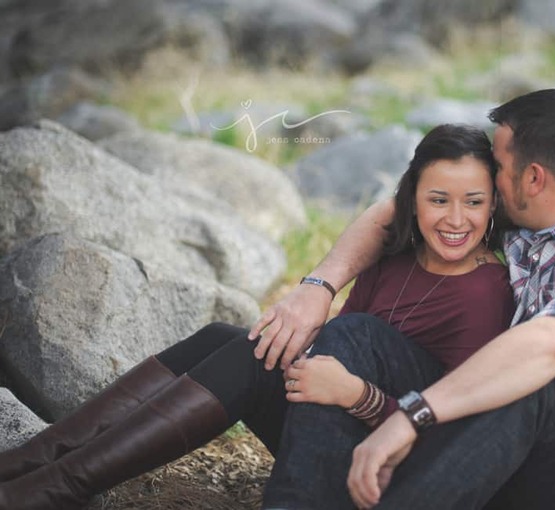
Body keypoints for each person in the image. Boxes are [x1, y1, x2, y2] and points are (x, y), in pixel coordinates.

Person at [0, 124, 514, 510]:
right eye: (438, 199)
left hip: (387, 469)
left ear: (493, 206)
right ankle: (37, 459)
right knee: (227, 336)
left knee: (251, 355)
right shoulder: (396, 254)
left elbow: (458, 436)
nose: (455, 219)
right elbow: (344, 342)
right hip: (333, 426)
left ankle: (57, 488)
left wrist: (357, 395)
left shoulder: (483, 292)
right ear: (411, 200)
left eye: (473, 202)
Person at [255, 89, 555, 510]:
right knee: (358, 334)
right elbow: (396, 211)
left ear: (533, 178)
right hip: (509, 450)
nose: (489, 175)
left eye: (497, 165)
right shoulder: (529, 217)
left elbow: (554, 343)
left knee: (533, 387)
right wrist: (320, 288)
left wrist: (411, 416)